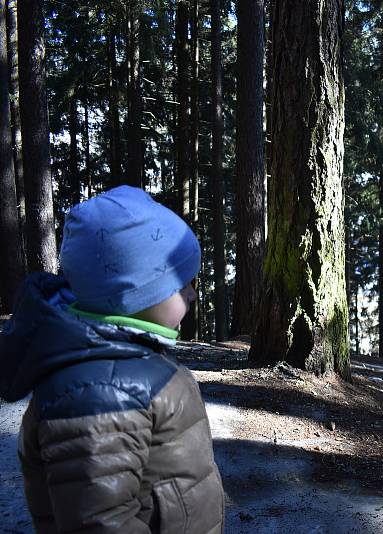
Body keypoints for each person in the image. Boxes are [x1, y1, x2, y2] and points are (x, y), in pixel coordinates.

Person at [0, 186, 224, 533]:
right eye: (180, 283)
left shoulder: (122, 360)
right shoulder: (97, 391)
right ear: (133, 294)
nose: (193, 292)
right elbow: (99, 520)